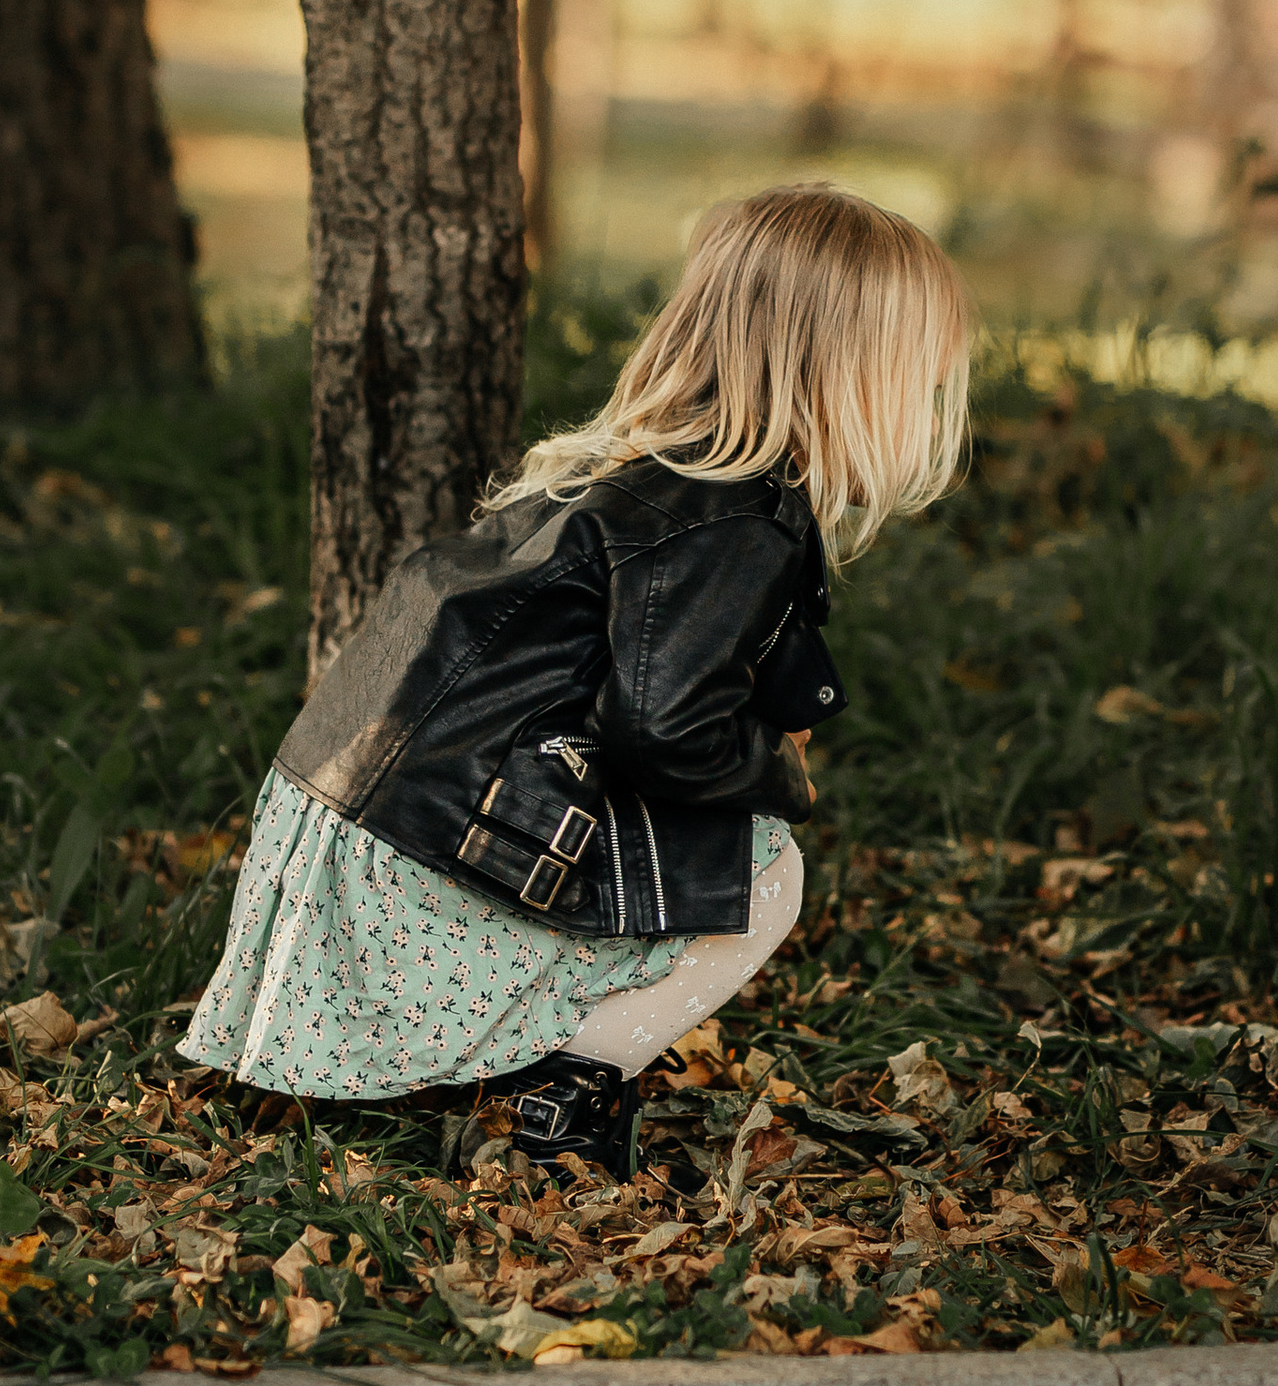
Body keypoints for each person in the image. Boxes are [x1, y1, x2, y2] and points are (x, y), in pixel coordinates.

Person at [182, 185, 970, 1173]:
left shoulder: (636, 470)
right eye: (918, 382)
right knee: (766, 874)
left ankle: (508, 1068)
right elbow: (665, 731)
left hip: (346, 817)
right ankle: (557, 1095)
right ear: (849, 375)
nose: (926, 402)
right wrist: (777, 768)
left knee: (704, 854)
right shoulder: (729, 518)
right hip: (414, 855)